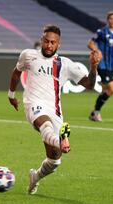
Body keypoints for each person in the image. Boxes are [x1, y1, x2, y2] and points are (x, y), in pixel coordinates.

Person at [7, 24, 101, 194]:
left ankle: (35, 177)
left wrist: (93, 67)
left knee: (55, 160)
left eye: (53, 42)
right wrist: (11, 95)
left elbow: (89, 84)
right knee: (46, 126)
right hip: (33, 104)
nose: (49, 45)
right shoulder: (28, 55)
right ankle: (61, 140)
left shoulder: (65, 64)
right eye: (46, 41)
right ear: (41, 40)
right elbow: (16, 72)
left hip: (55, 111)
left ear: (59, 44)